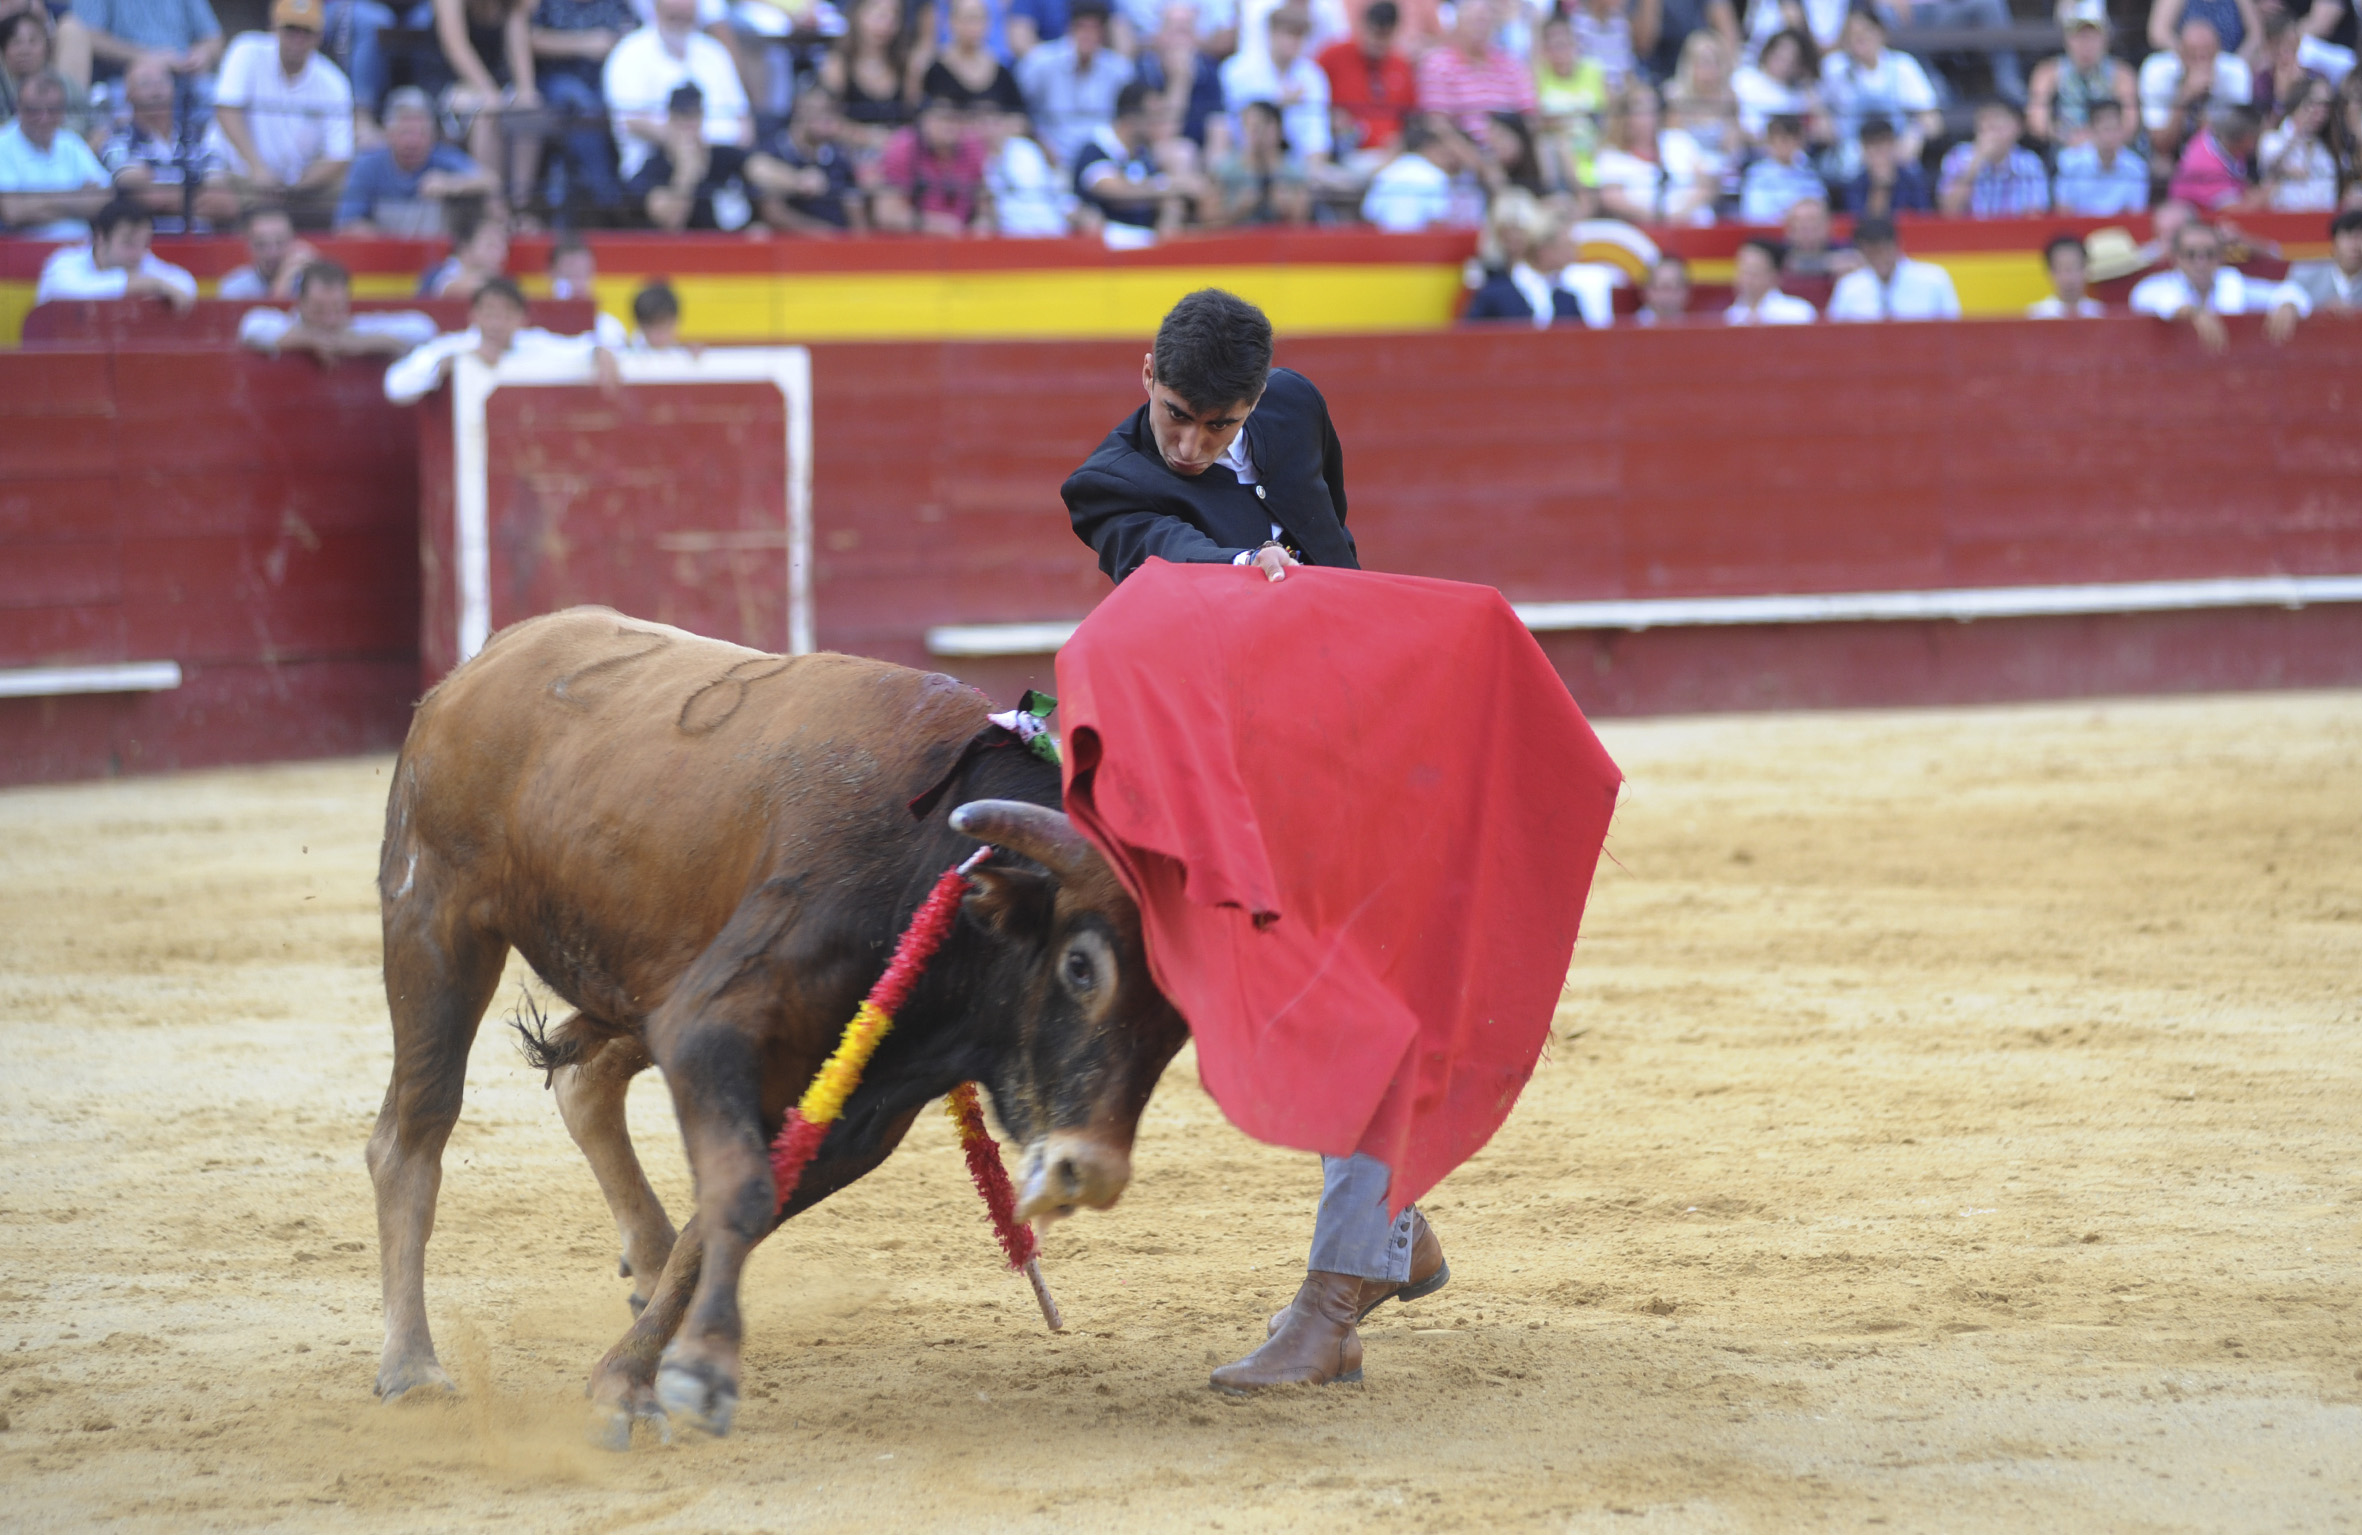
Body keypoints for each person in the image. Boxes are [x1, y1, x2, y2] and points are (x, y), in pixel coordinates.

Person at [1060, 290, 1449, 1394]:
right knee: (1334, 1001)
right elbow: (1158, 547)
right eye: (1176, 415)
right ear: (1145, 374)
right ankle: (1371, 1253)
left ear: (1254, 404)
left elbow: (1337, 540)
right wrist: (1234, 572)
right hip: (1237, 786)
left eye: (1215, 426)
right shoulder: (1109, 482)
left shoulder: (1292, 411)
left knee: (1354, 1001)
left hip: (1358, 745)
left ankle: (1352, 1275)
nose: (1190, 443)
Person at [208, 0, 355, 226]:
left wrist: (296, 186)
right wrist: (258, 170)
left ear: (319, 36)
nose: (298, 38)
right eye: (290, 29)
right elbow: (226, 112)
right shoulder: (246, 50)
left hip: (299, 187)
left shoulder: (334, 82)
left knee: (351, 190)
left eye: (306, 31)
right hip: (238, 176)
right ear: (274, 28)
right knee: (212, 193)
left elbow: (339, 156)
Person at [384, 273, 620, 404]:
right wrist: (445, 367)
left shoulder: (533, 343)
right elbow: (395, 386)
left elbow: (577, 347)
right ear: (473, 315)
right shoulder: (452, 347)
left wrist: (598, 351)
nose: (496, 322)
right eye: (488, 313)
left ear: (522, 318)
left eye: (506, 314)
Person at [101, 52, 235, 231]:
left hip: (201, 244)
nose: (156, 91)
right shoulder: (118, 139)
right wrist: (196, 193)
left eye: (162, 82)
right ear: (128, 94)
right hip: (149, 247)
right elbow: (143, 195)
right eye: (145, 84)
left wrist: (162, 192)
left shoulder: (197, 137)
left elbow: (224, 202)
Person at [2128, 217, 2307, 347]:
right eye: (2190, 254)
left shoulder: (2232, 283)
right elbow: (2144, 296)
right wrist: (2194, 312)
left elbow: (2289, 291)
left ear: (2220, 257)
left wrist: (2287, 304)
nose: (2201, 262)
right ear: (2176, 258)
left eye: (2209, 254)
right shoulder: (2159, 285)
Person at [336, 86, 495, 230]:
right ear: (388, 134)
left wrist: (450, 185)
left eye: (421, 133)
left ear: (433, 136)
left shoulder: (442, 157)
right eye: (405, 133)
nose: (412, 142)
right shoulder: (367, 165)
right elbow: (348, 222)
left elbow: (490, 181)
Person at [527, 0, 633, 215]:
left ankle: (630, 189)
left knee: (622, 105)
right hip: (556, 81)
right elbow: (528, 37)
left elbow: (635, 34)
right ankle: (608, 197)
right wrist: (583, 44)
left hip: (606, 82)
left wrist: (617, 42)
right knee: (581, 105)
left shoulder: (617, 4)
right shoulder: (546, 4)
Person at [237, 258, 438, 360]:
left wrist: (360, 344)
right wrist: (307, 339)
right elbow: (250, 327)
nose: (330, 320)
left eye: (337, 309)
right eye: (319, 310)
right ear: (300, 302)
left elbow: (425, 329)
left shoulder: (358, 328)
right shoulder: (283, 324)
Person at [1819, 7, 1936, 176]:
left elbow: (1932, 121)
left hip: (1897, 156)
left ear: (1880, 32)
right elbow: (1819, 112)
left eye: (1865, 31)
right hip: (1852, 161)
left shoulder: (1903, 66)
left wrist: (1914, 137)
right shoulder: (1834, 68)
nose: (1860, 38)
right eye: (1852, 33)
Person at [1071, 78, 1199, 233]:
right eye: (1154, 116)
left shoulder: (1143, 154)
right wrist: (1172, 186)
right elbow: (1113, 189)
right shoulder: (1095, 149)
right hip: (1108, 245)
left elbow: (1165, 200)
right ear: (1131, 119)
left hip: (1148, 243)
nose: (1159, 122)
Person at [1016, 0, 1129, 165]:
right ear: (1069, 28)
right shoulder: (1039, 63)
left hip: (1100, 160)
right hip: (1048, 158)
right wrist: (1038, 141)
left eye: (1094, 28)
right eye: (1082, 27)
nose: (1088, 35)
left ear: (1104, 33)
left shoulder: (1119, 70)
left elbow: (1123, 123)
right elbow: (1019, 110)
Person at [34, 193, 196, 307]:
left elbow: (186, 284)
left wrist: (151, 284)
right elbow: (67, 290)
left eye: (144, 244)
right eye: (128, 243)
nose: (138, 253)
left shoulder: (143, 261)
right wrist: (149, 284)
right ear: (101, 238)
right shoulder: (63, 262)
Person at [0, 69, 109, 235]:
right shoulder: (3, 145)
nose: (44, 118)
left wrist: (36, 202)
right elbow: (12, 211)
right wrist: (77, 197)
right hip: (24, 251)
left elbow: (106, 200)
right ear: (18, 108)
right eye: (34, 110)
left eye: (52, 110)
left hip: (80, 249)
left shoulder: (71, 143)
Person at [1597, 78, 1716, 223]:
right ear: (1625, 117)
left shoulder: (1678, 139)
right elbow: (1611, 198)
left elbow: (1708, 181)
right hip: (1645, 232)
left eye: (1653, 108)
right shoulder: (1612, 155)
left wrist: (1680, 214)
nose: (1650, 116)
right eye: (1641, 110)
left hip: (1695, 226)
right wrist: (1655, 217)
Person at [1221, 4, 1330, 161]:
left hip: (1298, 166)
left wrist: (1314, 169)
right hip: (1246, 161)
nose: (1295, 41)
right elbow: (1235, 127)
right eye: (1289, 34)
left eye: (1301, 36)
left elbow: (1317, 134)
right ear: (1271, 33)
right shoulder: (1237, 71)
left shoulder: (1313, 75)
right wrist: (1279, 103)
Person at [747, 90, 865, 231]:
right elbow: (774, 214)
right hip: (791, 242)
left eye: (829, 111)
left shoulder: (839, 155)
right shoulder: (772, 151)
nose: (824, 119)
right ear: (798, 110)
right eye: (815, 111)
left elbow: (854, 209)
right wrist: (822, 233)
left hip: (838, 243)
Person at [872, 93, 992, 231]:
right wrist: (932, 224)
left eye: (955, 119)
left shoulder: (973, 147)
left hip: (962, 239)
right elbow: (886, 214)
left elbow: (984, 200)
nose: (949, 127)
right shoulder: (903, 148)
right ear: (924, 121)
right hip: (912, 240)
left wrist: (982, 221)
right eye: (942, 119)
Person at [2140, 16, 2252, 162]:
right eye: (2193, 56)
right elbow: (2161, 144)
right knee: (2161, 166)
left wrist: (2207, 97)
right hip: (2172, 154)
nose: (2200, 63)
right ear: (2180, 54)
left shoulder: (2236, 71)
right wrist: (2185, 96)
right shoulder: (2156, 70)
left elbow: (2237, 142)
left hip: (2220, 156)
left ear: (2218, 52)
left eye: (2206, 56)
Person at [2027, 0, 2137, 149]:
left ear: (2106, 38)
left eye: (2093, 36)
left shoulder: (2122, 74)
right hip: (2065, 149)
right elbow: (2037, 122)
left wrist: (2096, 140)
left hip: (2111, 150)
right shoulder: (2048, 72)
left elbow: (2130, 124)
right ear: (2067, 39)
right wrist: (2066, 137)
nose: (2086, 44)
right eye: (2079, 36)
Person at [1415, 0, 1533, 138]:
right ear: (1458, 23)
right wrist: (1478, 159)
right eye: (1475, 20)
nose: (1480, 27)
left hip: (1511, 149)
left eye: (1485, 20)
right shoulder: (1437, 65)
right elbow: (1438, 126)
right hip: (1459, 151)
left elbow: (1529, 116)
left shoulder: (1512, 65)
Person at [56, 0, 222, 98]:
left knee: (224, 97)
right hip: (123, 80)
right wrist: (147, 57)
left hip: (186, 77)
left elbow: (214, 37)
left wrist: (203, 53)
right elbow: (87, 34)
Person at [1462, 188, 1582, 323]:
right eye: (1566, 247)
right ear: (1544, 249)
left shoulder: (1567, 298)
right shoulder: (1493, 294)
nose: (1574, 255)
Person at [1318, 0, 1414, 158]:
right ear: (1362, 26)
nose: (1377, 42)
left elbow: (1412, 117)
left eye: (1384, 36)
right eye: (1373, 33)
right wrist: (1330, 117)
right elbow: (1310, 92)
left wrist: (1402, 141)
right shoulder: (1332, 56)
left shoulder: (1401, 65)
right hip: (1342, 150)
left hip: (1392, 155)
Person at [1826, 213, 1959, 319]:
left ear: (1897, 246)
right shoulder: (1849, 287)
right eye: (1871, 253)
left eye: (1883, 250)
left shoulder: (1934, 280)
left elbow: (1952, 331)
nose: (1878, 258)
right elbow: (1837, 337)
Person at [1937, 98, 2049, 217]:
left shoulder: (2029, 163)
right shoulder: (1958, 156)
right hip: (1969, 233)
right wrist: (1976, 162)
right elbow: (1948, 211)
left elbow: (2036, 215)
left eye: (1998, 119)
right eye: (1985, 120)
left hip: (2015, 232)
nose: (1991, 127)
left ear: (2018, 127)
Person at [1532, 10, 1607, 184]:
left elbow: (1607, 116)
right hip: (1559, 150)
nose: (1560, 49)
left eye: (1564, 43)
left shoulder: (1593, 71)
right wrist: (1574, 118)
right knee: (1555, 145)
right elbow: (1536, 121)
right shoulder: (1537, 76)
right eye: (1553, 44)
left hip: (1593, 143)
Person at [1209, 96, 1309, 223]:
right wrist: (1240, 209)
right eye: (1251, 126)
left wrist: (1286, 207)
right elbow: (1209, 221)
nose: (1258, 133)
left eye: (1263, 125)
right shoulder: (1226, 170)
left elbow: (1303, 222)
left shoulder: (1294, 170)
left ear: (1278, 128)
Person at [2, 11, 97, 139]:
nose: (25, 50)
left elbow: (92, 123)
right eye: (16, 42)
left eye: (33, 41)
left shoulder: (65, 84)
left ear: (46, 47)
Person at [1358, 112, 1459, 229]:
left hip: (1385, 242)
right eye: (1440, 150)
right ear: (1429, 147)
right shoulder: (1436, 175)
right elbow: (1439, 218)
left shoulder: (1385, 173)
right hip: (1421, 242)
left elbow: (1371, 215)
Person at [2051, 98, 2148, 215]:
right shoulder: (2069, 162)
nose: (2109, 137)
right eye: (2105, 129)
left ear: (2122, 130)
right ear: (2091, 130)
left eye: (2115, 129)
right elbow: (2063, 211)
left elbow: (2135, 215)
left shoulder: (2136, 168)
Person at [927, 0, 1026, 113]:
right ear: (951, 22)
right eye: (969, 19)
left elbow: (1019, 116)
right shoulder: (936, 70)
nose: (974, 26)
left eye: (979, 19)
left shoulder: (1001, 72)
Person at [2258, 76, 2338, 208]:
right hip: (2280, 220)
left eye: (2325, 106)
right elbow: (2269, 161)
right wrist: (2295, 131)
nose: (2320, 112)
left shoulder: (2324, 148)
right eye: (2314, 104)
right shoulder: (2272, 139)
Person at [1731, 25, 1820, 143]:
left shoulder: (1795, 99)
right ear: (1769, 51)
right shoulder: (1742, 77)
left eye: (1790, 59)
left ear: (1798, 65)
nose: (1783, 61)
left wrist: (1807, 86)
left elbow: (1823, 132)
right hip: (1739, 143)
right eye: (1780, 54)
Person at [2169, 101, 2262, 209]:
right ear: (2247, 139)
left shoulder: (2212, 137)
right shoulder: (2205, 167)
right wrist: (2271, 190)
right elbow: (2235, 210)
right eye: (2257, 136)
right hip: (2193, 222)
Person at [218, 204, 320, 296]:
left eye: (280, 243)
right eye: (261, 244)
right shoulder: (234, 287)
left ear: (293, 242)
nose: (272, 252)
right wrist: (283, 279)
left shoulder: (309, 283)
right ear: (249, 247)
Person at [1738, 112, 1821, 223]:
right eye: (1782, 139)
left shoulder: (1809, 173)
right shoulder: (1756, 174)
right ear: (1769, 141)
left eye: (1793, 139)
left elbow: (1818, 210)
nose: (1787, 145)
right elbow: (1753, 214)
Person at [1838, 114, 1927, 215]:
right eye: (1872, 144)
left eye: (1883, 142)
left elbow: (1921, 218)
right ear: (1863, 150)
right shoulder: (1855, 186)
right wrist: (1879, 188)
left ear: (1893, 144)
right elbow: (1859, 224)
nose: (1879, 151)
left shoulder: (1913, 182)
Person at [418, 198, 509, 295]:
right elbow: (445, 287)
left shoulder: (504, 280)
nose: (499, 253)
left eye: (502, 246)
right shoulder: (437, 274)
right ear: (465, 248)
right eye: (490, 245)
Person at [1723, 233, 1815, 321]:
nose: (1746, 279)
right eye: (1742, 270)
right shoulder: (1729, 316)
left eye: (1753, 272)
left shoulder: (1798, 313)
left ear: (1774, 275)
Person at [2286, 206, 2362, 309]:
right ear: (2334, 244)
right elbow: (2288, 294)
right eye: (2349, 237)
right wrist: (2288, 304)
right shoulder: (2306, 276)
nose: (2356, 245)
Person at [2147, 0, 2261, 58]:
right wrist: (2191, 58)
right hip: (2185, 65)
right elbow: (2158, 33)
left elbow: (2255, 36)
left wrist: (2238, 63)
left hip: (2231, 65)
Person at [2027, 231, 2104, 315]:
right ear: (2050, 272)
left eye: (2075, 268)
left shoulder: (2100, 312)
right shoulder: (2037, 315)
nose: (2069, 278)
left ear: (2086, 268)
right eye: (2061, 268)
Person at [1779, 194, 1853, 276]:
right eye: (1799, 222)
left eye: (1813, 221)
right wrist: (1829, 263)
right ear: (1788, 228)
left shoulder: (1846, 250)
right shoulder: (1775, 254)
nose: (1807, 226)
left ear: (1828, 225)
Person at [625, 276, 686, 347]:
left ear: (675, 321)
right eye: (652, 329)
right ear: (639, 324)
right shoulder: (624, 355)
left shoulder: (686, 355)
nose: (658, 337)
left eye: (663, 328)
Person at [1633, 251, 1690, 323]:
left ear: (1686, 291)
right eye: (1659, 287)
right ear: (1644, 291)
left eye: (1674, 287)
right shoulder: (1626, 328)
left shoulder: (1696, 327)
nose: (1666, 295)